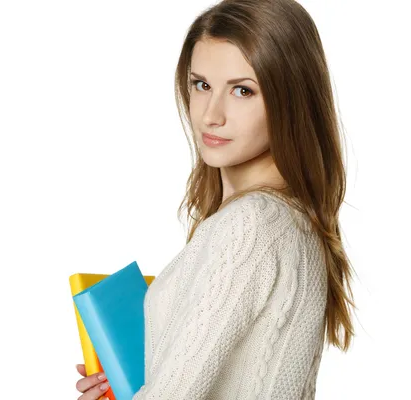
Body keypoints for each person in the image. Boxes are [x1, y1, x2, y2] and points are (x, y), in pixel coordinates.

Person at [75, 0, 356, 399]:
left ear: (289, 98)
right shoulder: (288, 220)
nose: (211, 114)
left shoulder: (251, 225)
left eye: (243, 91)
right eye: (201, 84)